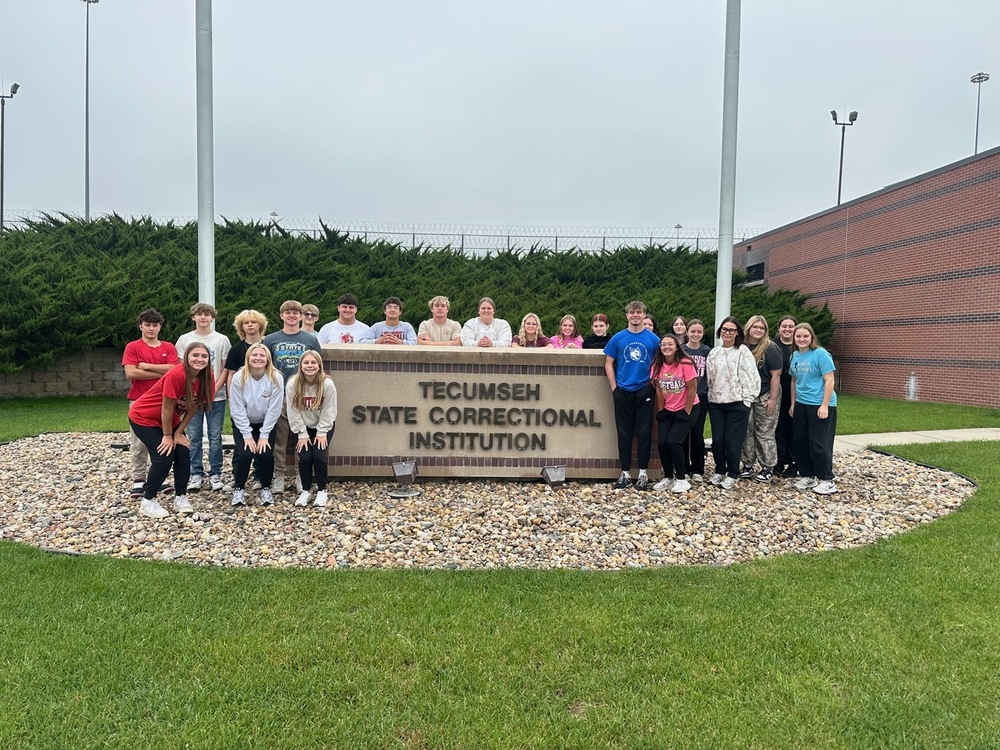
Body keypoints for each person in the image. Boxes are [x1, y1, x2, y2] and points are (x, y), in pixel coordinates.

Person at [127, 342, 214, 519]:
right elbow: (166, 408)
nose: (199, 359)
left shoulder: (208, 377)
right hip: (144, 417)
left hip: (169, 420)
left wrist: (178, 433)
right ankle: (148, 500)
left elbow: (193, 407)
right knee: (164, 455)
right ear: (187, 357)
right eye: (195, 355)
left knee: (182, 451)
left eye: (204, 356)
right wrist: (167, 436)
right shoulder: (176, 374)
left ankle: (180, 497)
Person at [264, 300, 322, 493]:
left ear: (301, 316)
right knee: (280, 440)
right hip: (278, 395)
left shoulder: (310, 340)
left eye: (295, 313)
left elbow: (318, 367)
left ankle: (300, 475)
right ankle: (279, 475)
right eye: (287, 312)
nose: (291, 316)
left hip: (302, 394)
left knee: (301, 436)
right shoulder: (271, 339)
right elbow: (265, 367)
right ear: (281, 315)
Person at [121, 308, 179, 498]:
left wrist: (146, 366)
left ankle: (159, 477)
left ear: (160, 327)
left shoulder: (168, 347)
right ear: (141, 326)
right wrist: (161, 372)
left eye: (155, 325)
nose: (151, 329)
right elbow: (131, 372)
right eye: (148, 325)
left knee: (162, 440)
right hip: (139, 401)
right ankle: (139, 478)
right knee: (139, 444)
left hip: (165, 402)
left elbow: (174, 369)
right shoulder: (133, 347)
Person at [604, 301, 660, 490]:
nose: (635, 315)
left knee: (644, 433)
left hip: (644, 389)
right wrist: (614, 388)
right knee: (624, 433)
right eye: (632, 313)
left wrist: (652, 384)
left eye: (639, 312)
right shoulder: (618, 338)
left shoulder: (653, 340)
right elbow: (608, 363)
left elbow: (659, 363)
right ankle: (625, 473)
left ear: (644, 315)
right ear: (626, 315)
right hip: (623, 391)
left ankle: (643, 474)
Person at [175, 302, 231, 493]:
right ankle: (195, 473)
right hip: (192, 398)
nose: (203, 318)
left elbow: (225, 368)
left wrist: (212, 390)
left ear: (212, 318)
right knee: (194, 436)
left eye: (207, 314)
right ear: (193, 317)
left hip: (216, 397)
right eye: (199, 314)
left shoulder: (221, 340)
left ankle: (216, 473)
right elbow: (181, 368)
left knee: (215, 437)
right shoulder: (184, 339)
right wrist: (194, 392)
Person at [706, 316, 760, 490]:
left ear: (737, 333)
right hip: (716, 403)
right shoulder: (714, 352)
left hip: (737, 403)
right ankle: (720, 470)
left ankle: (733, 473)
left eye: (731, 330)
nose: (727, 333)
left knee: (732, 441)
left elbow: (752, 376)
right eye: (724, 329)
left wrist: (747, 400)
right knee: (718, 440)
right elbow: (709, 378)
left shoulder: (742, 351)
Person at [228, 343, 284, 507]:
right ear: (248, 358)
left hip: (266, 423)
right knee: (245, 455)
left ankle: (266, 488)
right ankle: (239, 489)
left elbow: (274, 409)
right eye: (254, 355)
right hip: (243, 422)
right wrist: (247, 435)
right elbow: (236, 408)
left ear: (267, 359)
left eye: (262, 355)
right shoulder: (239, 376)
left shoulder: (276, 377)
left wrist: (264, 435)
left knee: (265, 454)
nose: (258, 358)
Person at [790, 322, 838, 495]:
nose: (802, 339)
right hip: (802, 404)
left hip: (820, 404)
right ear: (794, 338)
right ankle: (807, 475)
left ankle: (826, 479)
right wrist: (794, 404)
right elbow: (794, 381)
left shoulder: (820, 354)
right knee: (801, 442)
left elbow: (830, 380)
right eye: (798, 336)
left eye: (805, 336)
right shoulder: (794, 355)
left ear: (811, 337)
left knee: (819, 443)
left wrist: (824, 405)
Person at [286, 350, 338, 507]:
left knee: (319, 456)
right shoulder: (293, 384)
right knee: (306, 457)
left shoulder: (327, 384)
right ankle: (306, 491)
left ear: (319, 365)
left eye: (313, 363)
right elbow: (292, 411)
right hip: (304, 427)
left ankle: (322, 491)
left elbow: (329, 411)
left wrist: (322, 432)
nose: (310, 366)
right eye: (306, 363)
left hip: (323, 425)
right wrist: (302, 433)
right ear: (301, 366)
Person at [651, 334, 700, 493]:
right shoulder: (657, 365)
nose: (666, 347)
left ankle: (681, 479)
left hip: (687, 408)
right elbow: (658, 390)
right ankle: (668, 477)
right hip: (668, 410)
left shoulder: (685, 363)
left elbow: (692, 389)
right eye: (663, 344)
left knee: (674, 442)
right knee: (662, 443)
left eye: (670, 344)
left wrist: (686, 412)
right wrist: (661, 410)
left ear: (676, 346)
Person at [739, 315, 783, 483]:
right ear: (748, 328)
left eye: (762, 328)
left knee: (764, 432)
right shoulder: (741, 347)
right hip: (746, 395)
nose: (758, 330)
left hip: (766, 394)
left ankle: (767, 466)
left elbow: (776, 376)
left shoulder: (770, 348)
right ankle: (747, 464)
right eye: (755, 327)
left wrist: (772, 399)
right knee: (746, 431)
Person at [681, 318, 711, 482]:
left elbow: (710, 373)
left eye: (699, 331)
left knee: (697, 434)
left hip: (701, 397)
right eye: (692, 331)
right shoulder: (681, 350)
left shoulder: (706, 351)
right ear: (687, 332)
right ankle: (684, 468)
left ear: (702, 333)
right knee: (684, 434)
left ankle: (698, 469)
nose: (695, 334)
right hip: (683, 398)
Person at [772, 315, 798, 477]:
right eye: (784, 326)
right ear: (779, 328)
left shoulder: (801, 346)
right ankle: (780, 461)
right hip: (777, 392)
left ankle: (794, 461)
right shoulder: (773, 346)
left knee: (795, 428)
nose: (787, 329)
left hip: (797, 394)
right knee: (778, 428)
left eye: (791, 326)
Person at [222, 309, 268, 392]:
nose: (250, 325)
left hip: (266, 390)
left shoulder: (268, 345)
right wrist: (230, 396)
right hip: (243, 391)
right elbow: (231, 374)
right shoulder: (235, 349)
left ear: (260, 325)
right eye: (246, 323)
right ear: (242, 326)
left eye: (253, 322)